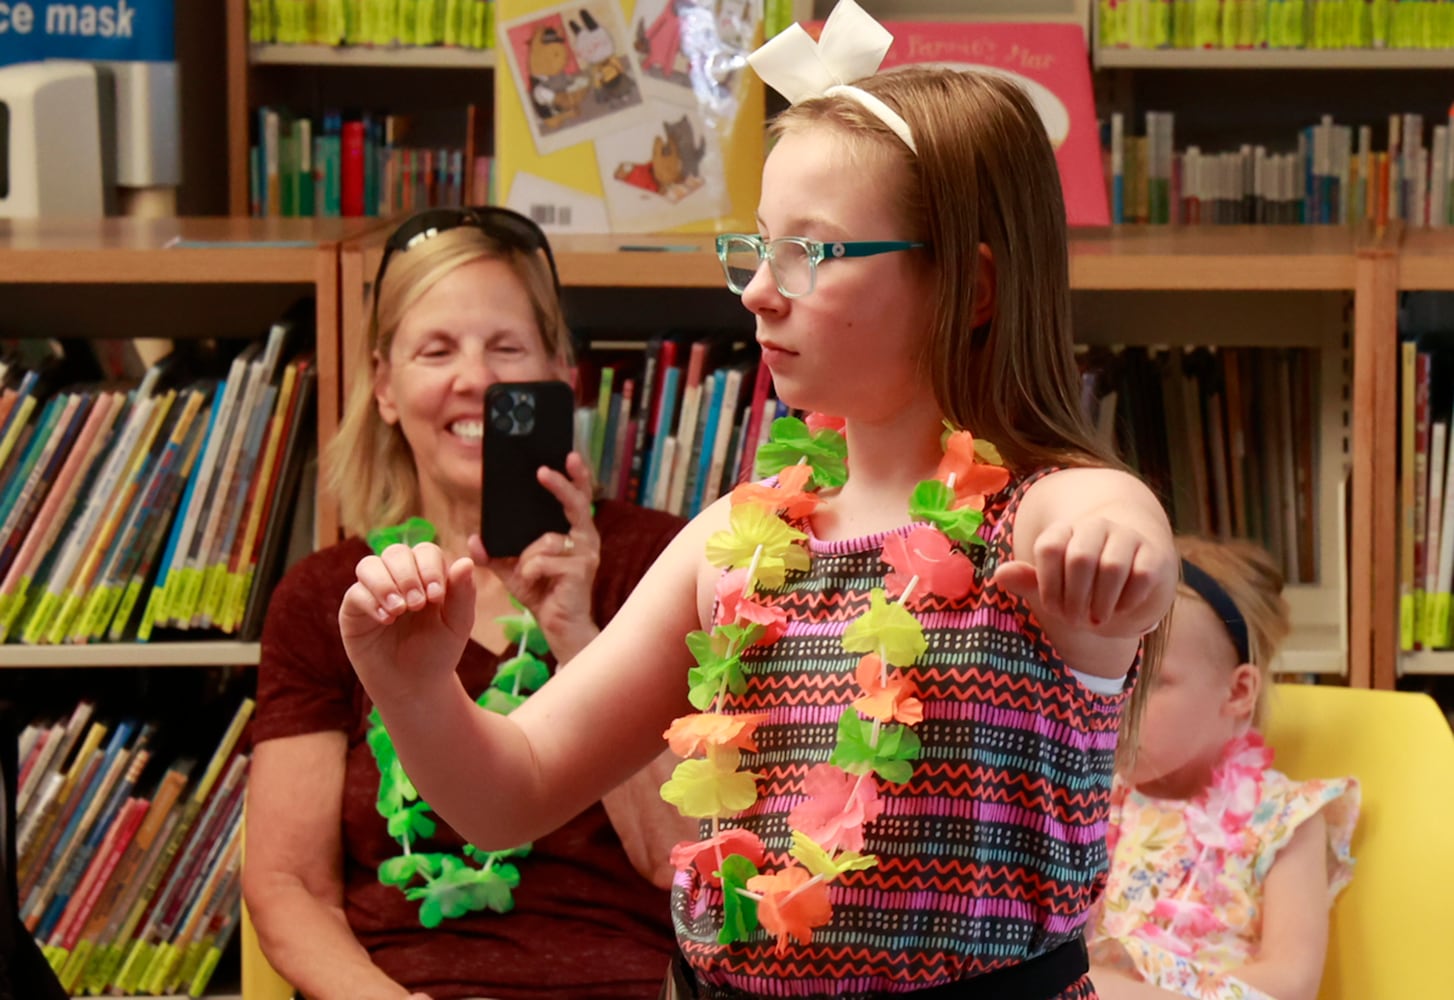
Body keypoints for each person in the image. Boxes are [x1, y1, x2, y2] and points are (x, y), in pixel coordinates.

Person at [337, 3, 1179, 998]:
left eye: (807, 254)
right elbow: (507, 791)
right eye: (756, 245)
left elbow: (1119, 520)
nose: (756, 292)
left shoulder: (1040, 520)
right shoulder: (732, 542)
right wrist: (414, 686)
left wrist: (1119, 556)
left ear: (971, 285)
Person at [243, 205, 691, 1000]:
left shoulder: (660, 563)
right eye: (436, 350)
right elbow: (288, 887)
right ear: (384, 387)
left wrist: (578, 632)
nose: (474, 379)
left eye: (506, 348)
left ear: (562, 374)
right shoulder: (331, 597)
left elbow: (680, 858)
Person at [1088, 538, 1360, 1000]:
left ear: (1237, 693)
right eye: (1111, 676)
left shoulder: (1285, 818)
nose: (1115, 703)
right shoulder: (1095, 798)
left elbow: (1293, 983)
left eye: (1148, 680)